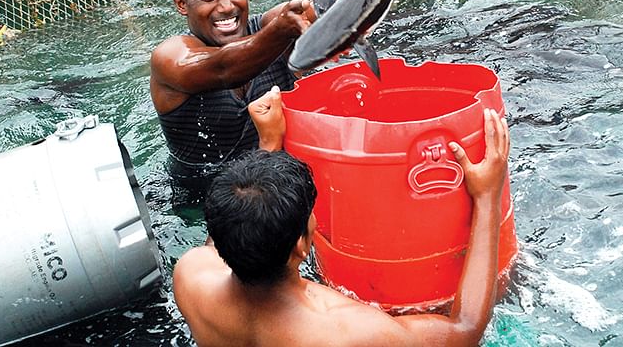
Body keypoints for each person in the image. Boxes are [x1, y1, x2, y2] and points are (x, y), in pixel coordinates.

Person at [173, 86, 511, 346]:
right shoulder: (350, 333)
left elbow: (227, 233)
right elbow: (464, 330)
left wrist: (269, 141)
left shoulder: (191, 276)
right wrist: (487, 197)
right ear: (301, 246)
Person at [150, 0, 393, 202]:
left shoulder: (271, 25)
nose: (226, 7)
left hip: (281, 187)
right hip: (203, 204)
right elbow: (225, 68)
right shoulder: (170, 58)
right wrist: (283, 31)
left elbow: (328, 13)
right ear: (181, 4)